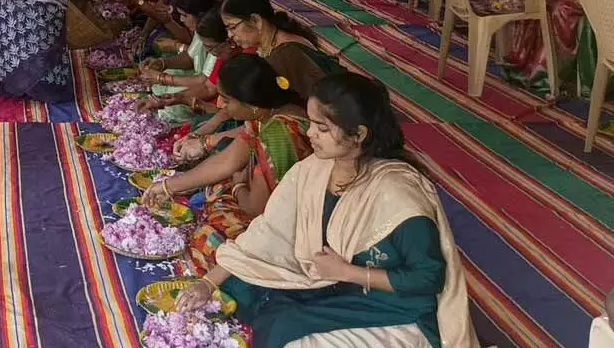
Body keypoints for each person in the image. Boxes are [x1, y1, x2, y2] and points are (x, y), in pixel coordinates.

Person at [177, 73, 478, 348]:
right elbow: (268, 232)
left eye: (322, 127)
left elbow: (428, 279)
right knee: (242, 289)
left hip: (392, 307)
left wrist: (349, 272)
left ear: (358, 134)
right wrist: (207, 282)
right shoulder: (313, 170)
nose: (309, 134)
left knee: (286, 332)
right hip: (333, 284)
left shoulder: (397, 192)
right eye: (310, 123)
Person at [144, 53, 311, 272]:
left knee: (210, 235)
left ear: (251, 103)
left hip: (289, 226)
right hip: (257, 198)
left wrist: (239, 184)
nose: (220, 104)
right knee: (211, 188)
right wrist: (167, 186)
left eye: (227, 99)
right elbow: (229, 159)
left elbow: (255, 208)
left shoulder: (280, 133)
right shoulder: (265, 114)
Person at [221, 0, 341, 102]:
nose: (229, 35)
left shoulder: (285, 54)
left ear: (256, 21)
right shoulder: (275, 42)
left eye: (232, 27)